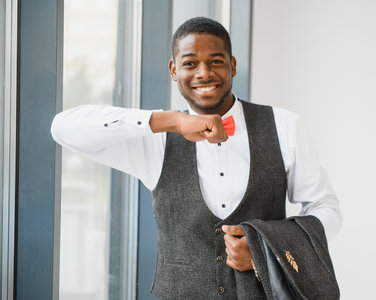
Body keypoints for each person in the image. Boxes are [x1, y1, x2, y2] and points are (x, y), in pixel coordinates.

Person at [51, 17, 342, 299]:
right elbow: (62, 128)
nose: (204, 73)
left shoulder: (284, 125)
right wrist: (171, 122)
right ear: (173, 70)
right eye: (190, 63)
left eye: (216, 61)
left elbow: (325, 208)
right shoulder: (156, 138)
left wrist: (264, 250)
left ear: (233, 65)